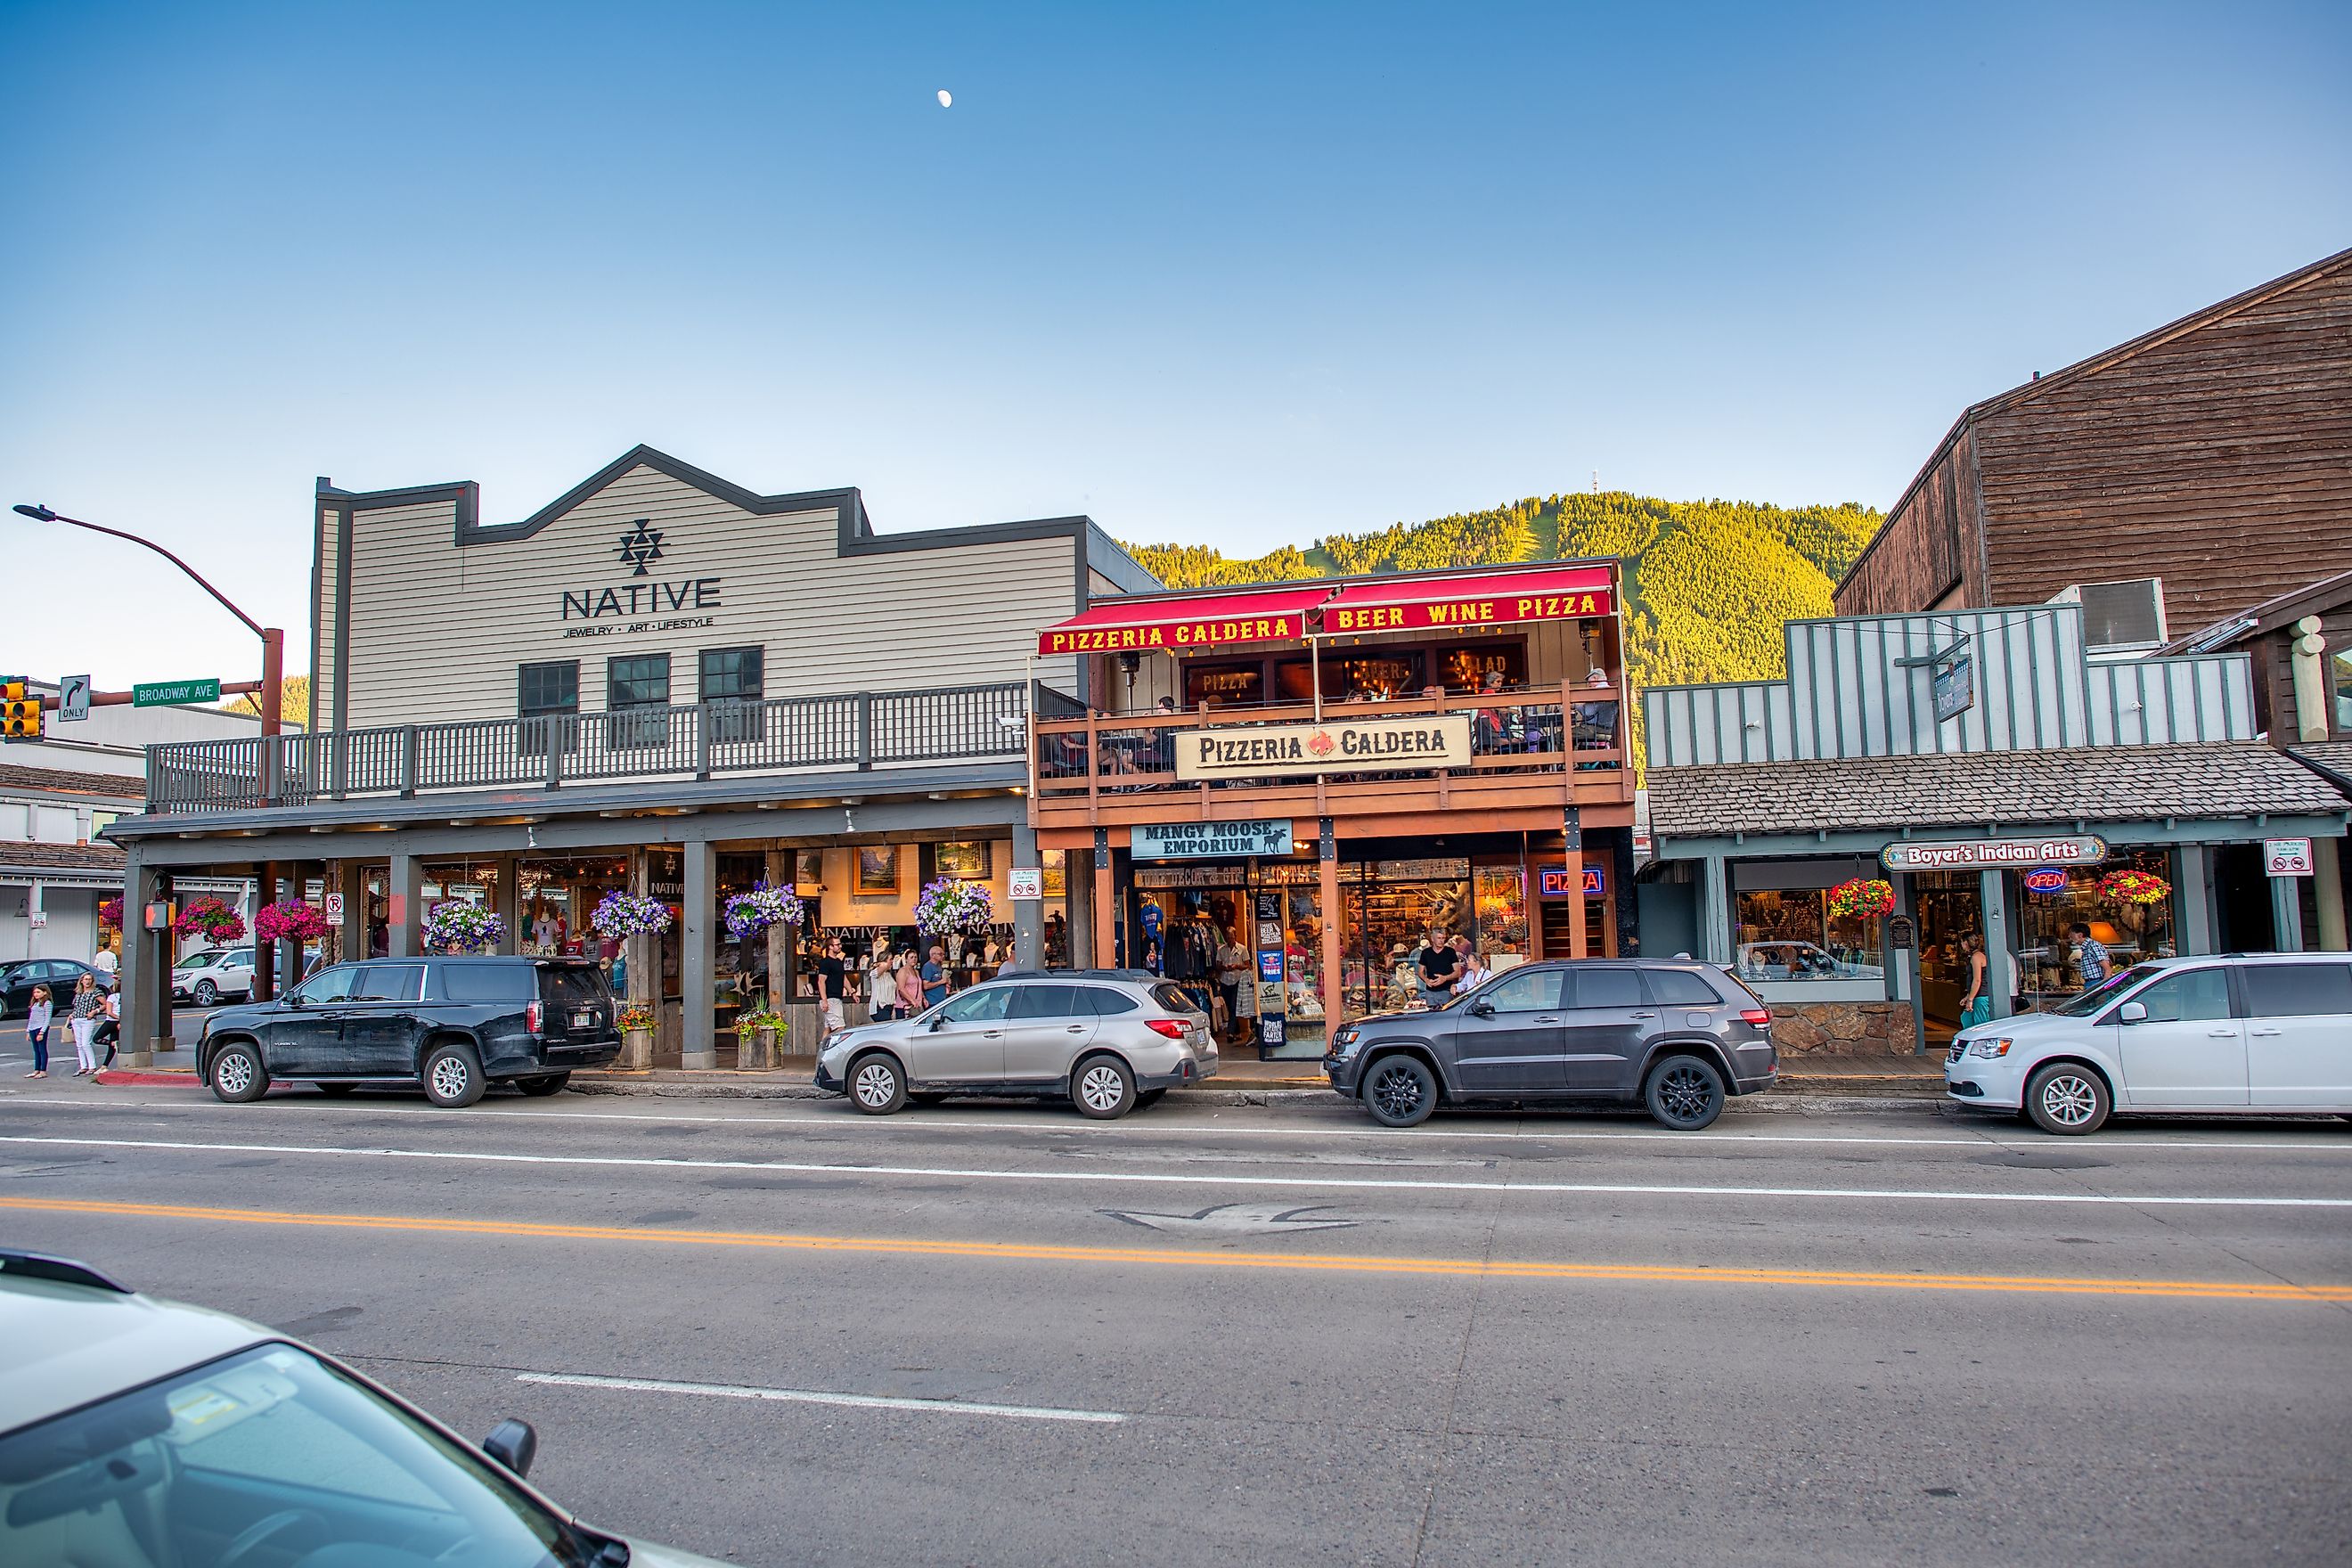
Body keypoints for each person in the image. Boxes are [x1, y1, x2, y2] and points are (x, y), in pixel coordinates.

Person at [1213, 928, 1251, 1046]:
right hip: (1225, 981)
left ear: (1235, 936)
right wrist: (1225, 968)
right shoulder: (1221, 950)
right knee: (1230, 1007)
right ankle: (1238, 1032)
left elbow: (1247, 965)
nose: (1230, 940)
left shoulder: (1242, 949)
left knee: (1234, 1005)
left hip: (1237, 981)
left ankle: (1230, 1032)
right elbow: (1218, 965)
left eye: (1232, 937)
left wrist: (1237, 966)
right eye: (1228, 937)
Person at [68, 972, 105, 1076]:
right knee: (79, 1045)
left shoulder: (96, 992)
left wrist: (95, 1011)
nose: (87, 981)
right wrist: (72, 1015)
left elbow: (105, 1004)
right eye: (85, 979)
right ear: (81, 981)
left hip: (87, 1019)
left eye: (89, 979)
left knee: (85, 1043)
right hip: (76, 1019)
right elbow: (76, 1007)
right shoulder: (79, 993)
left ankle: (92, 1066)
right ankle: (83, 1066)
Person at [1417, 927, 1459, 1008]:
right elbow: (1420, 972)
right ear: (1432, 939)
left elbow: (1457, 972)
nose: (1441, 941)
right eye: (1439, 938)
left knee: (1445, 1016)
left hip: (1446, 991)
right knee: (1431, 1016)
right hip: (1430, 992)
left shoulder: (1450, 952)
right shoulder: (1426, 953)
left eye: (1443, 938)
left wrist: (1445, 978)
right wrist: (1426, 980)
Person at [1956, 933, 1991, 1030]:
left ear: (1966, 943)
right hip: (1977, 994)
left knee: (1981, 1024)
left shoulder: (1976, 957)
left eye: (1962, 942)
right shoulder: (1974, 956)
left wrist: (1970, 999)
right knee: (1966, 1018)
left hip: (1981, 995)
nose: (1961, 945)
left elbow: (1977, 979)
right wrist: (1968, 996)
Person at [816, 935, 848, 1039]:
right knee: (840, 1028)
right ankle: (834, 1051)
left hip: (837, 998)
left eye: (840, 944)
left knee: (828, 1028)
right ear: (830, 947)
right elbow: (821, 981)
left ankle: (823, 1051)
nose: (840, 946)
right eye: (837, 944)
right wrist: (824, 1000)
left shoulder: (838, 962)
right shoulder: (826, 962)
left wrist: (851, 991)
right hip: (830, 999)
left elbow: (843, 978)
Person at [2070, 922, 2110, 991]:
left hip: (2096, 982)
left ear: (2080, 935)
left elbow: (2107, 968)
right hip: (2090, 982)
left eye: (2071, 934)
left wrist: (2104, 986)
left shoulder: (2093, 946)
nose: (2069, 936)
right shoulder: (2086, 948)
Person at [23, 983, 51, 1078]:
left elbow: (47, 1019)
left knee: (42, 1049)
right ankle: (36, 1069)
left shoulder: (47, 1003)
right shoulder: (35, 1004)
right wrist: (28, 1031)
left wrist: (42, 1032)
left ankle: (43, 1071)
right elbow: (31, 1018)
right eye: (35, 992)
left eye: (38, 992)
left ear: (45, 993)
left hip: (41, 1028)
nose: (36, 994)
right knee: (36, 1050)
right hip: (33, 1028)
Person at [867, 943, 897, 1021]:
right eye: (890, 959)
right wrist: (879, 963)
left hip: (889, 1007)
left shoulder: (889, 974)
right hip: (880, 1007)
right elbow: (883, 966)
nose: (892, 961)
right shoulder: (875, 973)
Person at [897, 950, 928, 1017]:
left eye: (915, 957)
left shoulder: (916, 971)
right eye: (911, 957)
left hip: (917, 1004)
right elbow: (901, 989)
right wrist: (912, 1000)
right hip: (906, 1005)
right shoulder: (903, 971)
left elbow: (919, 986)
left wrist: (923, 998)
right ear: (906, 959)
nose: (914, 959)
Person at [921, 944, 949, 1008]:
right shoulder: (927, 967)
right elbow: (925, 986)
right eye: (940, 954)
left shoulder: (939, 966)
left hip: (941, 1000)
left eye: (944, 954)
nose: (943, 956)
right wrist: (941, 982)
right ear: (933, 955)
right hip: (933, 1001)